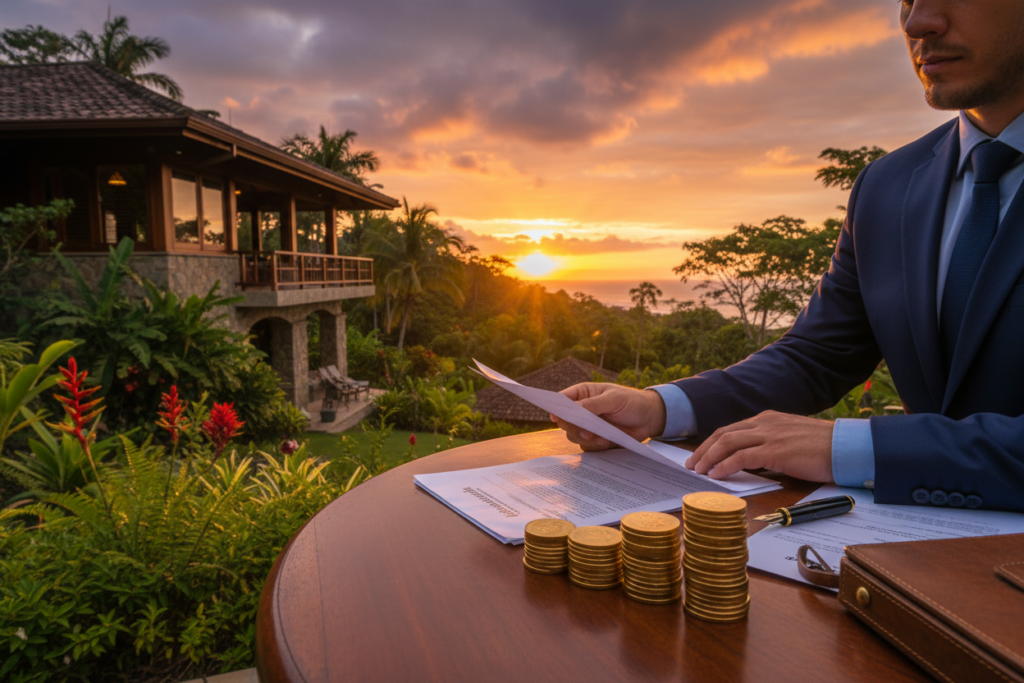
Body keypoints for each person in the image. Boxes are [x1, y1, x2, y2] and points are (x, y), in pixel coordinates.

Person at [553, 0, 1024, 513]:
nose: (917, 23)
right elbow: (817, 356)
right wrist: (659, 407)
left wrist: (850, 446)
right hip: (902, 559)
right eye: (906, 0)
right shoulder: (888, 185)